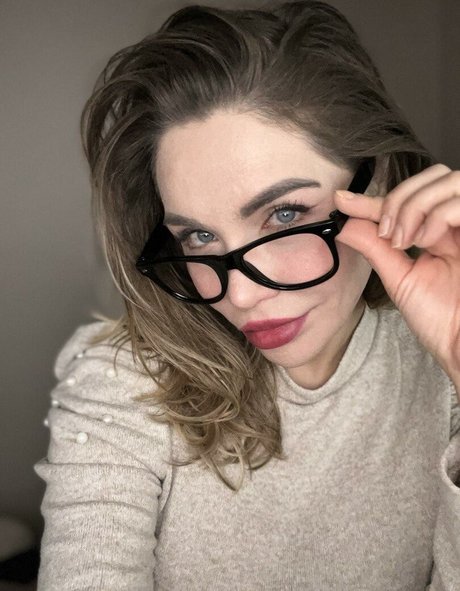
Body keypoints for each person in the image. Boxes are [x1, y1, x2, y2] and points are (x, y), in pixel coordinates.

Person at [34, 1, 460, 589]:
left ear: (379, 178)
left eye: (284, 215)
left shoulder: (441, 373)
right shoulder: (124, 381)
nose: (238, 293)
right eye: (199, 237)